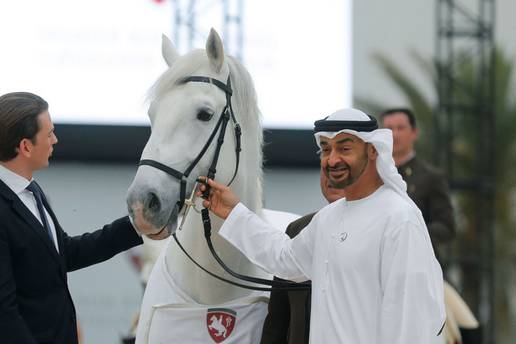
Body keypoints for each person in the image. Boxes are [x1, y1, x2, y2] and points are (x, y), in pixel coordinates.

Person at [198, 108, 445, 343]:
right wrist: (232, 212)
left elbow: (412, 323)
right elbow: (285, 259)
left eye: (344, 148)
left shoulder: (399, 219)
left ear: (372, 151)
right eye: (326, 150)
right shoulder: (328, 218)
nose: (332, 159)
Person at [0, 92, 168, 344]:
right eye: (49, 134)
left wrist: (134, 226)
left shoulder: (31, 191)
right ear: (25, 146)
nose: (55, 140)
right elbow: (5, 312)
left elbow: (65, 253)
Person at [260, 171, 346, 344]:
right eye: (325, 157)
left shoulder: (385, 228)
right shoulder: (298, 230)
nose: (331, 173)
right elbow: (277, 321)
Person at [379, 108, 455, 250]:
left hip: (417, 259)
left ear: (414, 133)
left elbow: (447, 226)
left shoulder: (431, 177)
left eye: (400, 128)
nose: (394, 135)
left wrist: (411, 232)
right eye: (389, 129)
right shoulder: (373, 175)